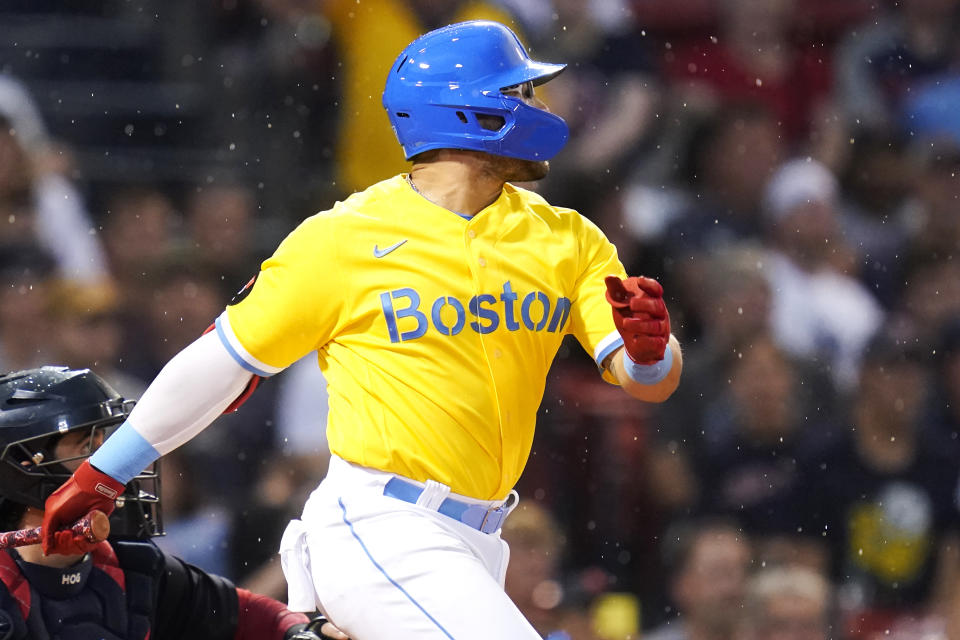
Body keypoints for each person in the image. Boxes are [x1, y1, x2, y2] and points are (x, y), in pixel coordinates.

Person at [39, 20, 683, 639]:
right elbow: (224, 359)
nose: (538, 103)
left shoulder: (567, 238)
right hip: (383, 522)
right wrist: (106, 471)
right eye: (517, 91)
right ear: (464, 111)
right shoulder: (345, 237)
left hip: (482, 538)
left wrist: (653, 355)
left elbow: (646, 380)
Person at [0, 365, 346, 640]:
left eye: (110, 445)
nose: (115, 465)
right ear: (25, 466)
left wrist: (299, 632)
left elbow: (253, 617)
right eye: (87, 447)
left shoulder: (134, 569)